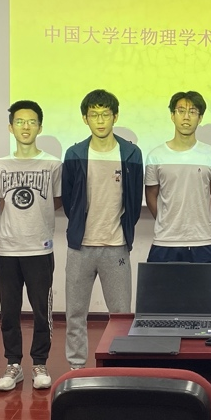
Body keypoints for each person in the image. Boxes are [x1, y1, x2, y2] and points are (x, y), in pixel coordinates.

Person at [62, 90, 143, 368]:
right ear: (85, 118)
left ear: (115, 117)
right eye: (94, 115)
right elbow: (69, 198)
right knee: (75, 313)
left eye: (105, 114)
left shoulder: (130, 153)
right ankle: (76, 366)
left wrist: (122, 232)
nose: (100, 120)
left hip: (116, 246)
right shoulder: (74, 153)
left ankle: (120, 365)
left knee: (121, 314)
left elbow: (134, 200)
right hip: (80, 247)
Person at [0, 100, 62, 392]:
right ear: (11, 127)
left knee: (41, 311)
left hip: (39, 249)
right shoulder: (0, 166)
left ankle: (40, 363)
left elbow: (56, 201)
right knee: (9, 311)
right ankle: (13, 364)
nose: (25, 127)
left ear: (40, 127)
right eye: (19, 121)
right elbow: (0, 202)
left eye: (32, 121)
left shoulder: (53, 164)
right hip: (7, 249)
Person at [144, 91, 211, 263]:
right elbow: (150, 196)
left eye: (192, 112)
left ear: (200, 118)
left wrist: (202, 220)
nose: (186, 117)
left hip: (202, 241)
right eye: (181, 111)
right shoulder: (156, 155)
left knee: (204, 283)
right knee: (159, 282)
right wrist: (166, 220)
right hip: (164, 241)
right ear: (172, 115)